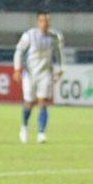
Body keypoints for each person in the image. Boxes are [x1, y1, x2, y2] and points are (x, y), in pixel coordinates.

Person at [13, 11, 63, 144]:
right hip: (29, 74)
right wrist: (17, 69)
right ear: (38, 22)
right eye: (42, 21)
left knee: (43, 102)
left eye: (47, 21)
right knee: (29, 103)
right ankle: (24, 126)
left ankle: (41, 133)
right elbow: (19, 51)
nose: (45, 23)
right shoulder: (29, 35)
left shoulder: (53, 37)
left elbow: (57, 55)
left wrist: (58, 69)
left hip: (45, 73)